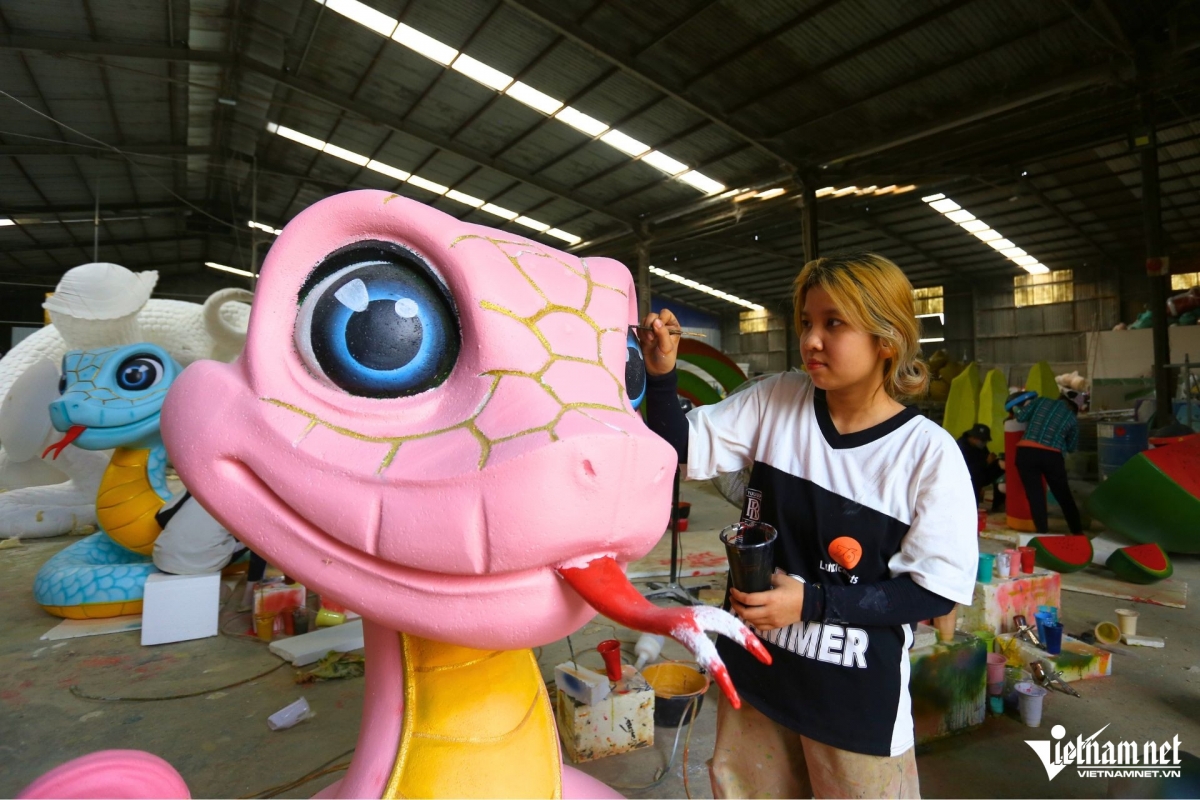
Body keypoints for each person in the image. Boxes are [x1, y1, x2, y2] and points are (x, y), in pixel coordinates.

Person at [639, 253, 977, 799]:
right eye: (806, 322)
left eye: (833, 323)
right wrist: (661, 374)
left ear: (886, 340)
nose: (811, 340)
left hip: (852, 707)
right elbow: (678, 446)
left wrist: (813, 604)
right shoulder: (778, 399)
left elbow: (934, 593)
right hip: (757, 684)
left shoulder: (926, 455)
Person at [1010, 392, 1083, 534]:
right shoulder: (1072, 418)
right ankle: (1077, 532)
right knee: (1064, 496)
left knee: (1035, 495)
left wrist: (1015, 408)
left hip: (1026, 452)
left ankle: (1042, 532)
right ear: (1075, 407)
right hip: (1052, 457)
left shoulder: (1041, 401)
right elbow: (1072, 447)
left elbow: (1021, 417)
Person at [957, 423, 1005, 511]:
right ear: (973, 438)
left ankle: (998, 505)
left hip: (980, 474)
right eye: (982, 440)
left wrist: (995, 461)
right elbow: (967, 469)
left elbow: (986, 459)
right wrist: (986, 462)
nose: (984, 443)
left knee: (1000, 466)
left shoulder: (980, 447)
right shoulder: (961, 447)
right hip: (965, 479)